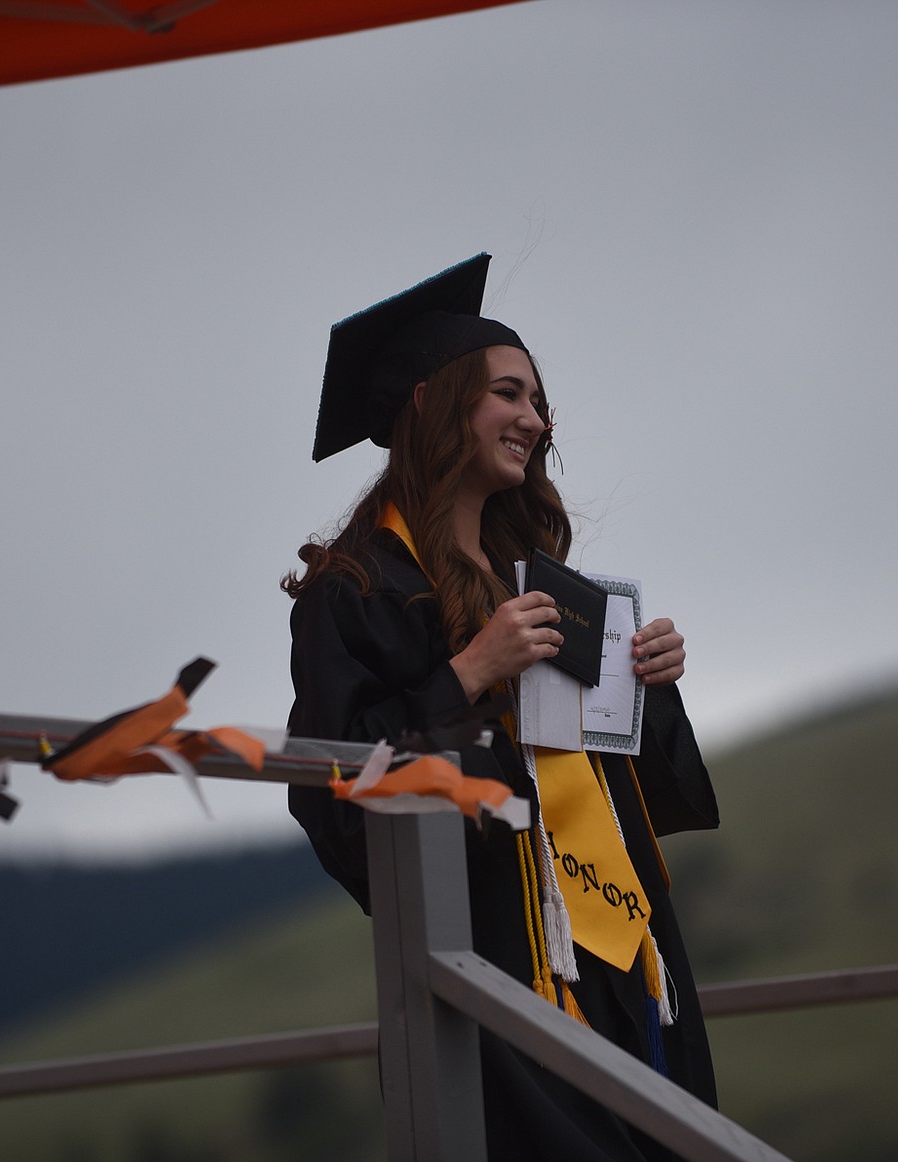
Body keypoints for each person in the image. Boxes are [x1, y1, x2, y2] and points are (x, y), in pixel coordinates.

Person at [282, 254, 719, 1161]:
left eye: (538, 399)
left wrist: (651, 687)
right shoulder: (354, 592)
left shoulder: (551, 589)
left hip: (624, 965)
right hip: (498, 969)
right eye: (509, 395)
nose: (536, 418)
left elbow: (634, 789)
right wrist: (467, 672)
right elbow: (335, 799)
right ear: (433, 404)